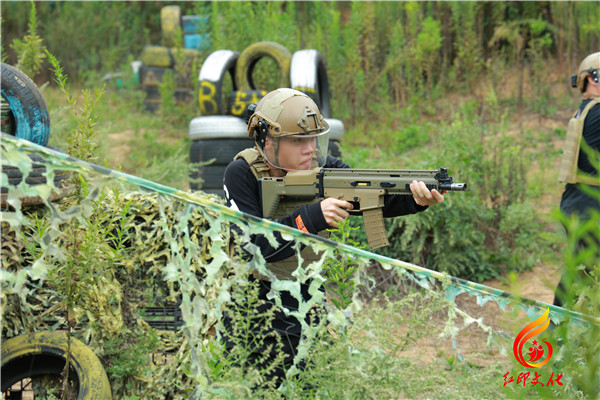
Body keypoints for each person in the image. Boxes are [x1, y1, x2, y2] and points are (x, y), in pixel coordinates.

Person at [221, 88, 444, 385]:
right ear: (268, 140)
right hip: (253, 304)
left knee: (314, 382)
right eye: (299, 141)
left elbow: (370, 195)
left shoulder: (324, 169)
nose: (310, 149)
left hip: (307, 298)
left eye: (313, 139)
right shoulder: (242, 174)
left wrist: (416, 200)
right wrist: (311, 217)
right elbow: (253, 246)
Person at [554, 52, 600, 308]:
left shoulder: (587, 111)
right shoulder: (598, 113)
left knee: (580, 273)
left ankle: (557, 333)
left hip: (579, 205)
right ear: (594, 78)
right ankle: (555, 333)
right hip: (590, 210)